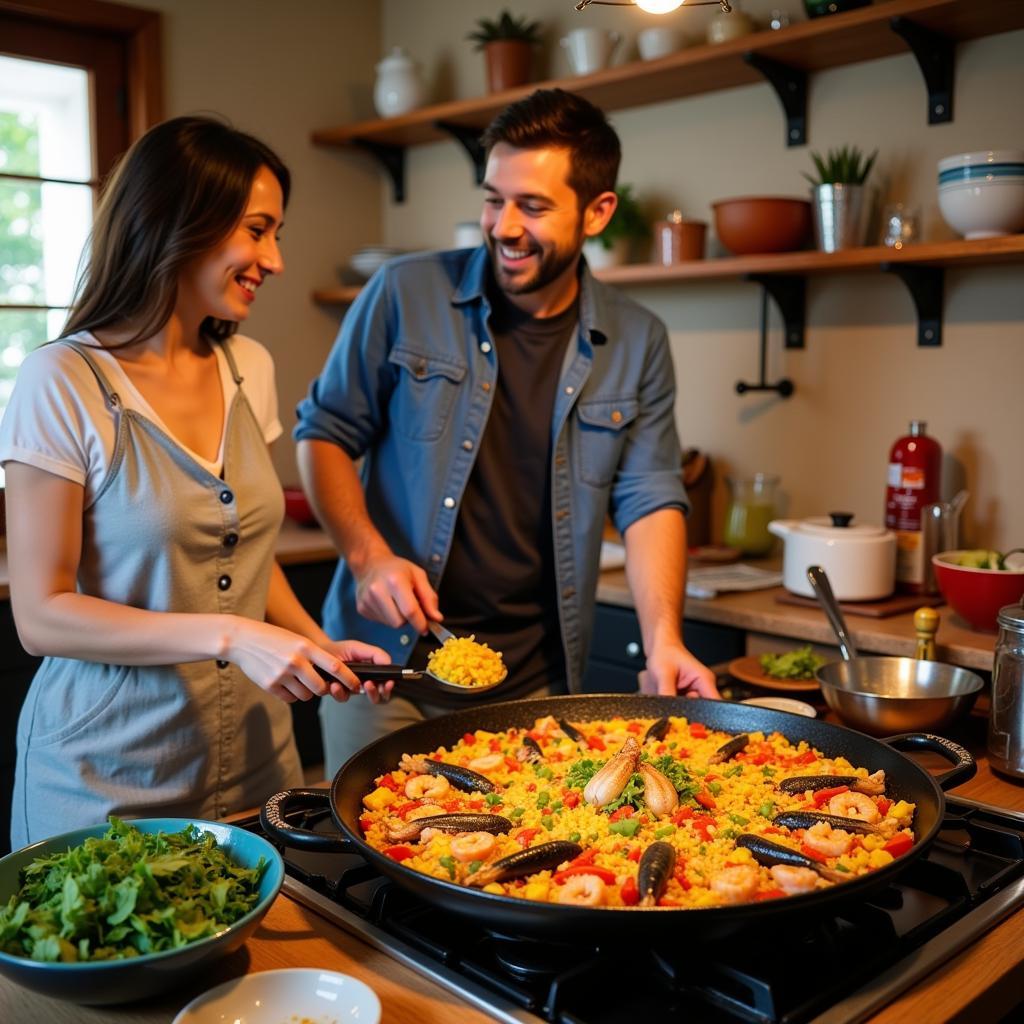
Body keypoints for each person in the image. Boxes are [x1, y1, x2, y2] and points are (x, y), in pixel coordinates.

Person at [295, 88, 719, 776]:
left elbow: (649, 496)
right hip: (384, 670)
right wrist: (369, 557)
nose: (504, 226)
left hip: (534, 686)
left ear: (598, 211)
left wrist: (663, 638)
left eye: (534, 205)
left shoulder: (638, 340)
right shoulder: (404, 294)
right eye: (494, 199)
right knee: (379, 862)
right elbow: (324, 432)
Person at [1, 116, 393, 849]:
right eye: (258, 229)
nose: (274, 259)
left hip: (254, 765)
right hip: (107, 779)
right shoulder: (62, 381)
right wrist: (234, 635)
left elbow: (244, 556)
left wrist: (317, 645)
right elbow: (41, 613)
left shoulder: (251, 366)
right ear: (180, 222)